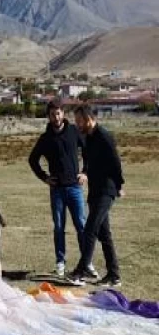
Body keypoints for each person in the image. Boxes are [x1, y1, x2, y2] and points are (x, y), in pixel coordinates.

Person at [28, 99, 94, 277]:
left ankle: (86, 262)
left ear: (63, 114)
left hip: (75, 188)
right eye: (52, 114)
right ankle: (60, 262)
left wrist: (85, 172)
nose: (56, 117)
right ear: (48, 116)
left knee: (81, 225)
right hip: (56, 189)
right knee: (59, 227)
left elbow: (88, 150)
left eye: (58, 113)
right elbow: (32, 160)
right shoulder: (45, 138)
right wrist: (44, 177)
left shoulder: (74, 131)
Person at [69, 105, 125, 287]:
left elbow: (116, 163)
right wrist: (85, 172)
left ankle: (82, 269)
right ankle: (114, 274)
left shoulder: (104, 136)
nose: (77, 125)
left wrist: (119, 185)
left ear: (88, 119)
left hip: (106, 191)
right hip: (95, 191)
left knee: (90, 229)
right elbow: (88, 161)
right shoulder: (89, 138)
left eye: (79, 121)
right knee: (104, 233)